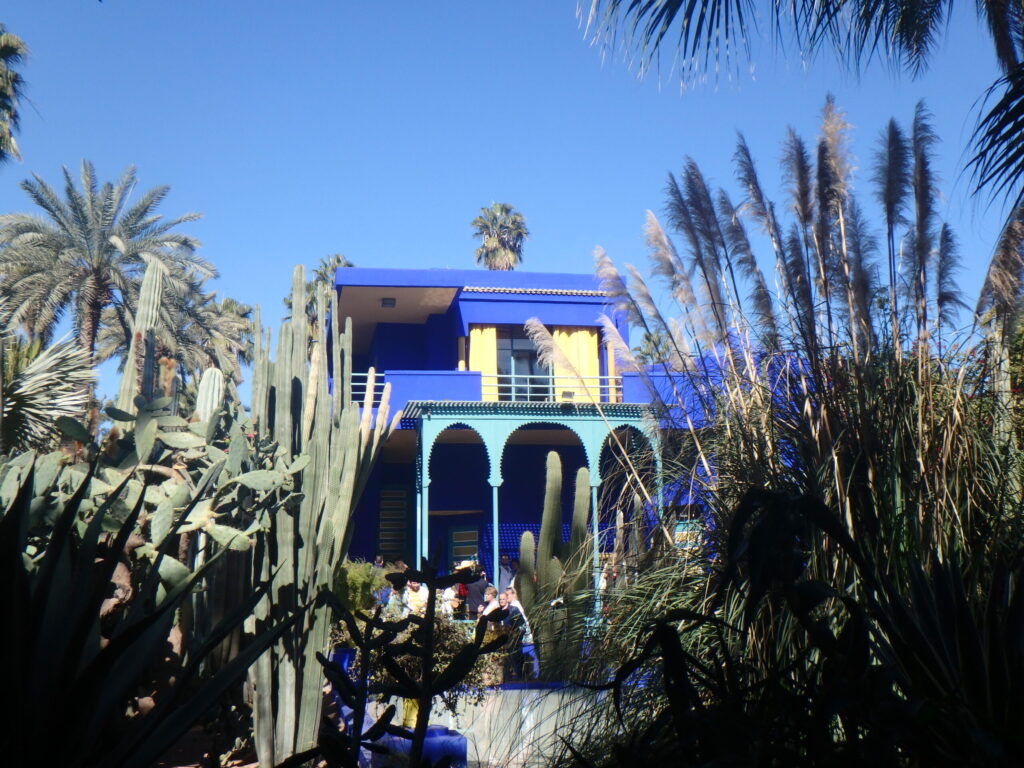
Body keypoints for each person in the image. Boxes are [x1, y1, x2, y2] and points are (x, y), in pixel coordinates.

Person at [505, 587, 539, 679]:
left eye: (508, 594)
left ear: (513, 594)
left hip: (520, 635)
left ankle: (521, 674)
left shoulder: (515, 606)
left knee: (519, 655)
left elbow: (520, 622)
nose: (506, 596)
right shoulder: (511, 606)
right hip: (520, 634)